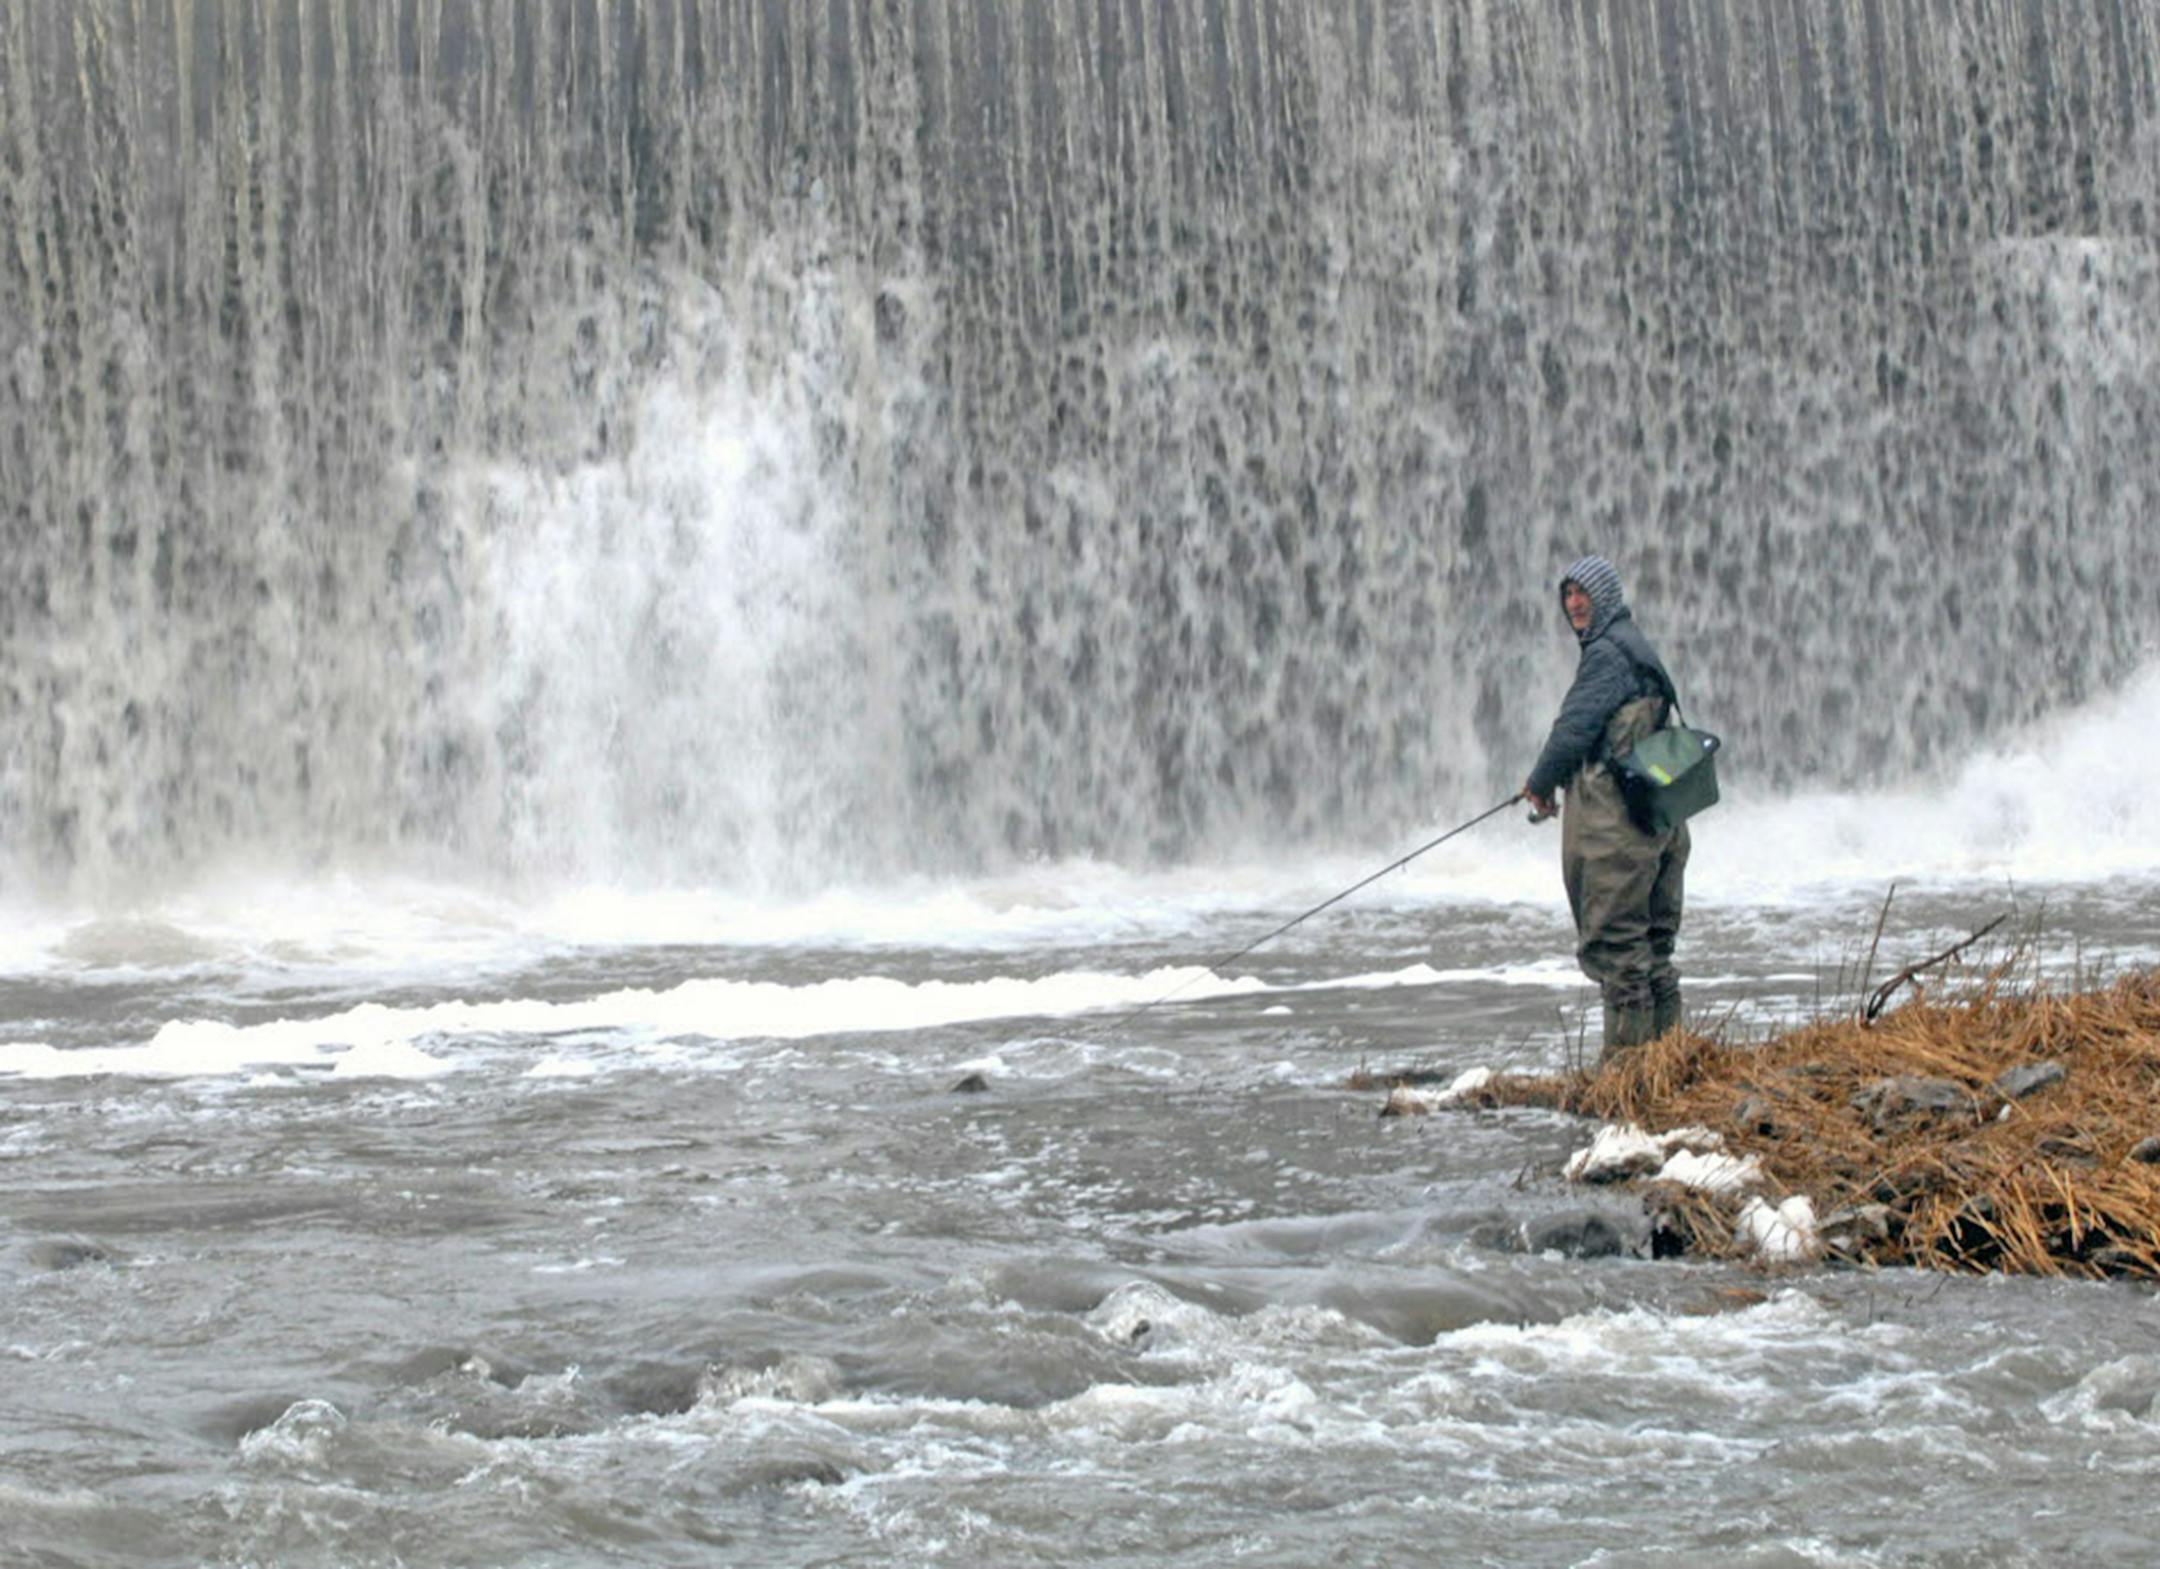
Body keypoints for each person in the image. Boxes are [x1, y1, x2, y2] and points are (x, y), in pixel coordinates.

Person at [1521, 555, 1689, 1061]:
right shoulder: (1636, 645)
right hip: (1656, 819)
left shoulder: (1607, 655)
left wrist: (1540, 783)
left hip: (1617, 828)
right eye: (1567, 594)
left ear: (1605, 596)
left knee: (1618, 945)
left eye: (1583, 593)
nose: (1574, 603)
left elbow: (1573, 728)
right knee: (1654, 945)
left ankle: (1626, 1073)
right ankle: (1669, 1061)